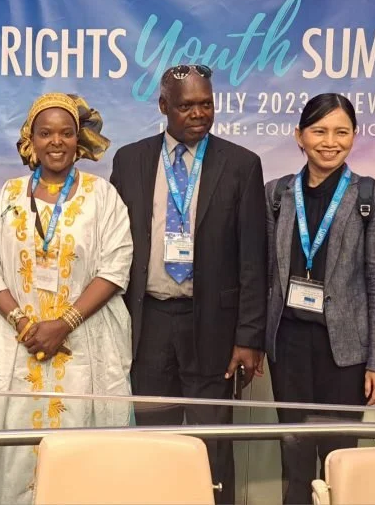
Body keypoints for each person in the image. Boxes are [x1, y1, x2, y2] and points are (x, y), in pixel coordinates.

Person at [0, 92, 133, 504]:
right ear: (30, 140)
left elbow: (115, 265)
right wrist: (23, 323)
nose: (56, 142)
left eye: (66, 133)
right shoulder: (9, 194)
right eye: (45, 133)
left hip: (82, 348)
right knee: (13, 453)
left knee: (80, 457)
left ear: (80, 139)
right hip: (16, 349)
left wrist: (65, 324)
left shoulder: (101, 196)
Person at [109, 64, 266, 503]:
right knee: (152, 438)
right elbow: (115, 245)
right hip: (149, 321)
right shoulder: (130, 159)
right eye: (186, 106)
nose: (198, 114)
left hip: (213, 326)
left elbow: (254, 258)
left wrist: (249, 337)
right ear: (163, 107)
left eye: (206, 104)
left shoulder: (241, 165)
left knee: (211, 441)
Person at [264, 93, 375, 504]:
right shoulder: (276, 194)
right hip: (287, 347)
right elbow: (265, 275)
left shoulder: (372, 197)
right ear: (299, 136)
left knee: (340, 459)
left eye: (341, 132)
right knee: (294, 455)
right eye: (318, 130)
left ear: (354, 137)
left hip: (346, 352)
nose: (330, 141)